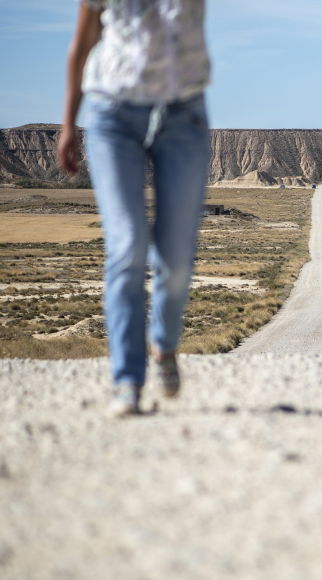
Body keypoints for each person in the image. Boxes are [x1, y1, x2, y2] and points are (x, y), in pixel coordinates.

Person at [58, 0, 212, 416]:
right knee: (127, 246)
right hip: (112, 112)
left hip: (183, 112)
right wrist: (70, 123)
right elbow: (83, 41)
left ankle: (163, 344)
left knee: (176, 257)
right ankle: (127, 381)